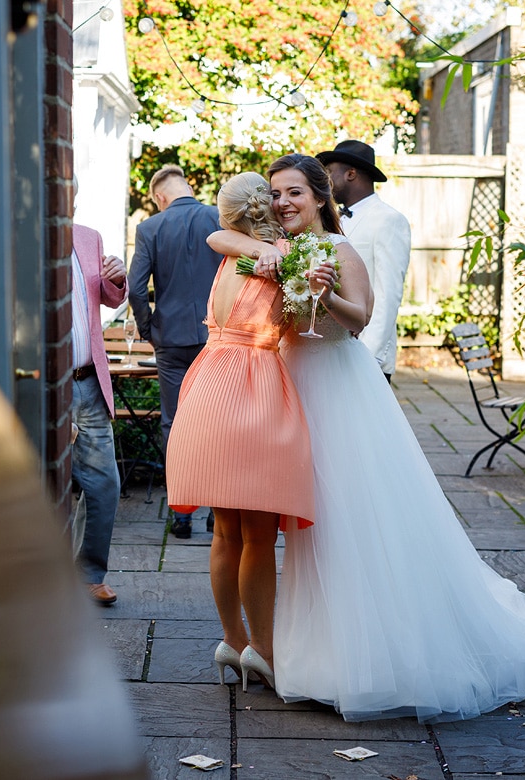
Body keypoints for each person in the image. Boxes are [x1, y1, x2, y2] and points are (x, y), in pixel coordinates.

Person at [207, 154, 525, 723]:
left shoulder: (340, 251)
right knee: (294, 528)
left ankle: (361, 655)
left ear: (321, 198)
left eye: (294, 192)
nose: (282, 203)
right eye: (274, 194)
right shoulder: (274, 252)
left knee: (347, 520)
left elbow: (360, 319)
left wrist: (322, 295)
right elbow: (229, 249)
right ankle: (294, 644)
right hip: (284, 390)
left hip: (337, 391)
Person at [165, 171, 316, 693]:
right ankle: (265, 651)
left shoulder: (232, 255)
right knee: (258, 536)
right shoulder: (278, 260)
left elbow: (216, 235)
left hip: (207, 382)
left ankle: (232, 638)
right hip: (252, 389)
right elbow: (298, 328)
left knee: (225, 531)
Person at [127, 165, 224, 539]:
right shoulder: (217, 217)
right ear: (186, 187)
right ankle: (219, 509)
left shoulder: (149, 228)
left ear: (159, 197)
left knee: (175, 422)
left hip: (170, 341)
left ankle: (181, 514)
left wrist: (150, 327)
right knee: (217, 421)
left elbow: (136, 289)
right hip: (215, 338)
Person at [70, 178, 129, 607]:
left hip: (88, 382)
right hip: (43, 385)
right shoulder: (20, 237)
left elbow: (107, 299)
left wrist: (118, 279)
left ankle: (91, 575)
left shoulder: (87, 238)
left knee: (105, 483)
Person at [316, 140, 412, 383]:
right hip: (334, 348)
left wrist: (370, 356)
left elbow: (388, 292)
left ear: (351, 174)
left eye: (329, 173)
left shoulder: (388, 220)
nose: (325, 181)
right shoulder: (333, 220)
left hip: (366, 352)